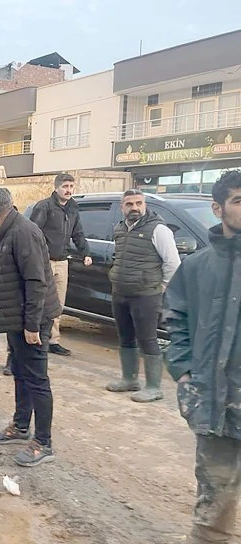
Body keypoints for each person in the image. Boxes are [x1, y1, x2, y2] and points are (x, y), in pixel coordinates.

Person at [164, 170, 241, 543]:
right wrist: (183, 371)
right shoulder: (195, 268)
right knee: (214, 503)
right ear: (217, 208)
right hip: (217, 404)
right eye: (239, 200)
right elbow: (175, 320)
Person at [0, 187, 62, 467]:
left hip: (32, 320)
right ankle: (21, 425)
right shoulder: (6, 232)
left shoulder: (24, 233)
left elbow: (36, 282)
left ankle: (43, 442)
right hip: (17, 318)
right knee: (21, 374)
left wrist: (32, 325)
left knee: (37, 379)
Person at [106, 189, 181, 402]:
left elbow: (173, 263)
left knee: (148, 339)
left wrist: (161, 287)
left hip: (146, 295)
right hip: (120, 293)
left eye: (139, 203)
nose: (135, 208)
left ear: (145, 205)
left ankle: (153, 387)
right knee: (125, 337)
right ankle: (129, 379)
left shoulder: (158, 230)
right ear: (122, 207)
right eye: (129, 204)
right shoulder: (119, 229)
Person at [29, 173, 92, 356]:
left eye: (71, 186)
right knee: (40, 301)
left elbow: (78, 233)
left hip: (63, 261)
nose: (69, 190)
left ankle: (52, 340)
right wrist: (36, 256)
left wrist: (85, 252)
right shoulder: (45, 207)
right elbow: (33, 232)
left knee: (58, 304)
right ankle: (36, 336)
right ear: (56, 188)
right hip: (44, 261)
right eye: (65, 186)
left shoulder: (73, 208)